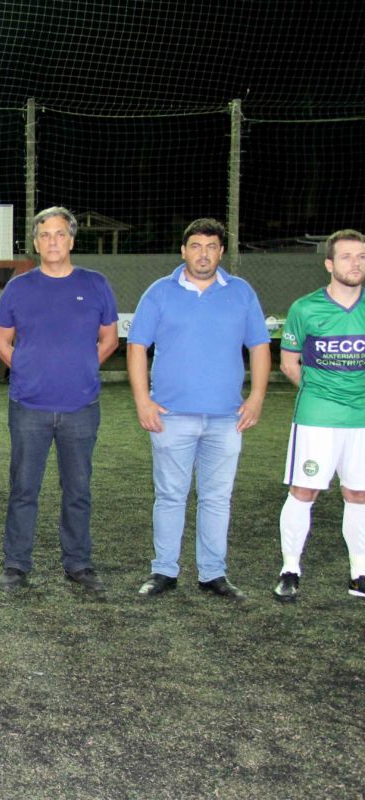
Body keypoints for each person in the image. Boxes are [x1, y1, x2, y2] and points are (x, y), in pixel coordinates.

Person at [128, 218, 271, 600]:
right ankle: (164, 571)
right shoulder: (159, 292)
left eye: (211, 246)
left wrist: (256, 396)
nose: (203, 253)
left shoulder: (241, 293)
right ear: (183, 250)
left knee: (216, 497)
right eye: (195, 246)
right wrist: (143, 400)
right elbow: (137, 346)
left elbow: (259, 345)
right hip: (171, 416)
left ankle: (213, 573)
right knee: (171, 496)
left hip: (226, 417)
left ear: (221, 252)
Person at [0, 206, 118, 593]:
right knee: (24, 488)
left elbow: (109, 339)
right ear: (35, 242)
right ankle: (16, 564)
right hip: (29, 406)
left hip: (81, 407)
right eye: (45, 235)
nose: (52, 241)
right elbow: (1, 341)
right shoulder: (18, 287)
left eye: (60, 234)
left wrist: (81, 366)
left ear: (72, 240)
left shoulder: (96, 283)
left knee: (78, 490)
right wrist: (28, 368)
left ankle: (78, 563)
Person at [274, 229, 365, 602]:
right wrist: (322, 395)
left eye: (361, 256)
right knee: (304, 490)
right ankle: (290, 568)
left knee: (359, 493)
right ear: (329, 263)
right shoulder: (305, 308)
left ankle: (359, 572)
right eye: (346, 256)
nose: (355, 263)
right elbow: (289, 363)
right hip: (317, 418)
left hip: (362, 421)